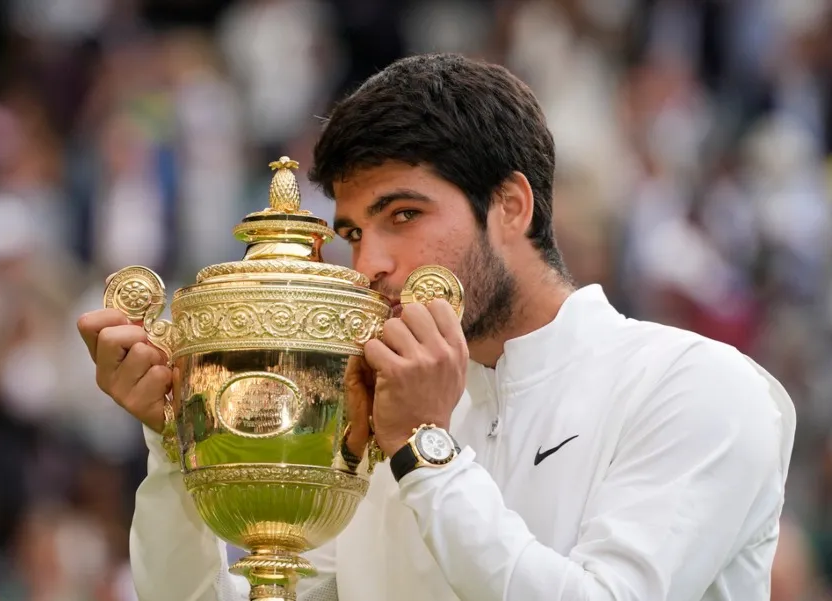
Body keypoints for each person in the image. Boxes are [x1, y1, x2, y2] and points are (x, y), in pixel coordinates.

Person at [77, 53, 796, 601]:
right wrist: (179, 446)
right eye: (354, 231)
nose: (371, 265)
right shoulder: (381, 423)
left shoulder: (699, 385)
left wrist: (425, 448)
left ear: (512, 206)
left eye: (404, 215)